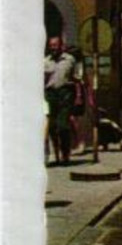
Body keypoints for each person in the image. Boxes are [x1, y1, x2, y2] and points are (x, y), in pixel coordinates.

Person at [44, 35, 78, 166]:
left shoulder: (70, 60)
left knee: (63, 126)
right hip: (51, 94)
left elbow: (76, 77)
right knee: (51, 126)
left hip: (65, 93)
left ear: (61, 46)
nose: (53, 48)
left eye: (55, 45)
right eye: (51, 46)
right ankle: (56, 154)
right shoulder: (45, 62)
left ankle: (65, 154)